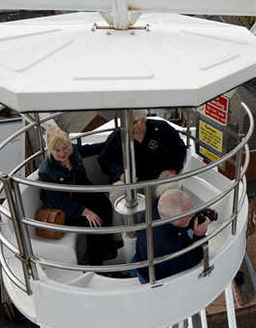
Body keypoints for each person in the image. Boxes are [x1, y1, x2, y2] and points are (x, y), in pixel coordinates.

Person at [38, 123, 115, 265]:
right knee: (94, 221)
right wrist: (86, 212)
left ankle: (105, 246)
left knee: (105, 204)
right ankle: (94, 261)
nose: (63, 153)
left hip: (80, 194)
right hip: (66, 207)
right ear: (50, 150)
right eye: (57, 150)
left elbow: (91, 149)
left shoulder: (73, 152)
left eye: (65, 148)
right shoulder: (47, 172)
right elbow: (57, 202)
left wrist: (114, 140)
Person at [135, 189, 214, 283]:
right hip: (156, 277)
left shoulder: (160, 205)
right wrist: (199, 236)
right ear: (173, 219)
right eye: (187, 215)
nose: (193, 215)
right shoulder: (166, 245)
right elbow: (192, 259)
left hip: (142, 256)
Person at [98, 110, 187, 183]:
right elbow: (104, 159)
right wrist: (120, 174)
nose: (128, 127)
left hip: (160, 178)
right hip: (129, 181)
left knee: (170, 189)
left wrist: (172, 169)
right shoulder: (118, 135)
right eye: (125, 123)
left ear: (143, 119)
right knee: (118, 192)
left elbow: (180, 148)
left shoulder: (162, 128)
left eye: (133, 123)